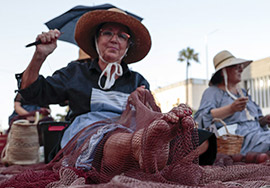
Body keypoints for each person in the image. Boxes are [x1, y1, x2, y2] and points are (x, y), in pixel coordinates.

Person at [17, 8, 215, 174]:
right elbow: (31, 92)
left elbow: (148, 117)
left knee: (200, 140)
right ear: (96, 39)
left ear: (127, 47)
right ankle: (141, 151)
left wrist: (143, 104)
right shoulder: (76, 72)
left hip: (134, 131)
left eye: (122, 36)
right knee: (113, 138)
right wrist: (39, 56)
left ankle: (144, 153)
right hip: (88, 133)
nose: (114, 40)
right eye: (107, 33)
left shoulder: (137, 80)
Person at [194, 50, 270, 155]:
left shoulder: (243, 92)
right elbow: (201, 119)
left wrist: (264, 120)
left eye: (241, 66)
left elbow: (255, 120)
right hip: (239, 140)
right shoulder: (212, 92)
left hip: (259, 135)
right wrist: (231, 109)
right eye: (236, 67)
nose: (241, 69)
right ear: (223, 71)